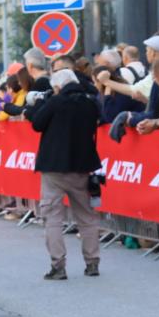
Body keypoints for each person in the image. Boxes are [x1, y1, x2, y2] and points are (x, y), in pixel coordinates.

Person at [29, 69, 103, 280]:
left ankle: (58, 266)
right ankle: (92, 263)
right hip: (81, 166)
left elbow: (37, 124)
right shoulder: (89, 103)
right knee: (86, 217)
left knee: (53, 218)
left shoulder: (56, 102)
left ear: (58, 87)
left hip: (53, 167)